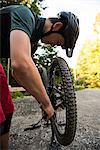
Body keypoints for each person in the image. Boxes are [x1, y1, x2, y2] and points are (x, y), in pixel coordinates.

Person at [0, 4, 79, 150]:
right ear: (57, 26)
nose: (55, 46)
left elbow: (18, 74)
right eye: (59, 42)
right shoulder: (25, 14)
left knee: (7, 110)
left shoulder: (33, 43)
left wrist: (41, 101)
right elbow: (21, 63)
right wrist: (47, 103)